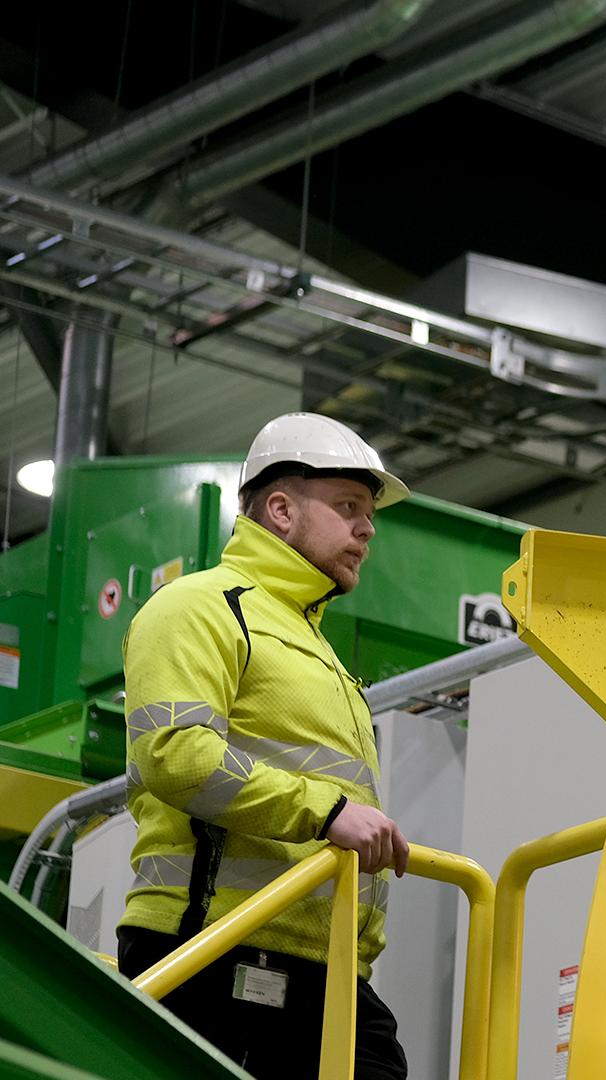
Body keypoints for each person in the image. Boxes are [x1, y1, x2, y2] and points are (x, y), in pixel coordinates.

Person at [117, 412, 415, 1079]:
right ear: (279, 509)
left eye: (369, 514)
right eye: (348, 507)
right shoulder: (197, 608)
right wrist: (328, 810)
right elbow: (175, 753)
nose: (367, 529)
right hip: (211, 949)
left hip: (325, 964)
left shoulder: (322, 654)